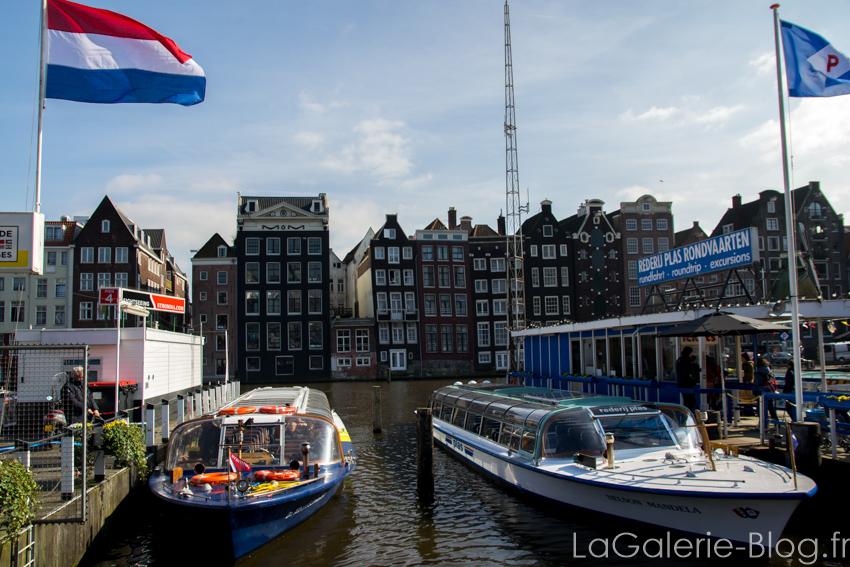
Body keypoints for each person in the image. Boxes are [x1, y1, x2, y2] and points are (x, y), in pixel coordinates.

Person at [755, 357, 779, 426]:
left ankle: (763, 425)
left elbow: (756, 384)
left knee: (761, 410)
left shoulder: (758, 373)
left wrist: (754, 392)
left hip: (761, 393)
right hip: (770, 392)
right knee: (771, 409)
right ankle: (777, 424)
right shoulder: (769, 372)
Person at [675, 347, 696, 411]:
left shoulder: (679, 360)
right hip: (687, 384)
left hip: (682, 383)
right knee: (690, 401)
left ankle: (686, 415)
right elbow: (686, 373)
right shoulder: (685, 361)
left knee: (687, 401)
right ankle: (687, 416)